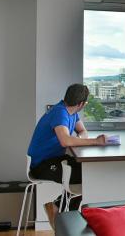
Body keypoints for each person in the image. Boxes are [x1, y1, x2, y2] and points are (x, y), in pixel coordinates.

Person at [27, 83, 106, 227]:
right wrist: (95, 141)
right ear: (82, 104)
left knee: (90, 172)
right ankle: (65, 217)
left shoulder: (71, 112)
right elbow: (65, 141)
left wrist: (79, 140)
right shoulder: (60, 112)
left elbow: (82, 131)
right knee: (86, 175)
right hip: (41, 165)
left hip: (54, 159)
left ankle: (62, 211)